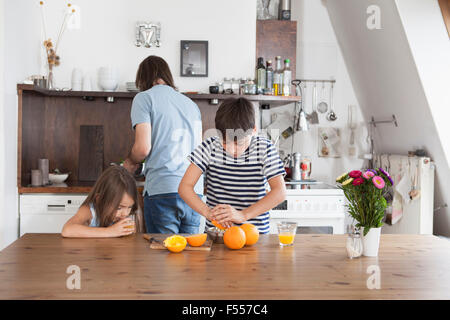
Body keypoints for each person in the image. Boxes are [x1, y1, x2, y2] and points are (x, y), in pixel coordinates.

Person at [178, 97, 286, 233]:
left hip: (255, 235)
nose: (231, 150)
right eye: (224, 142)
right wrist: (207, 212)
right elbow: (185, 187)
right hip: (218, 234)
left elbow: (280, 192)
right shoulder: (209, 146)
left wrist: (243, 215)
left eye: (239, 143)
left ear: (253, 130)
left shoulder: (264, 148)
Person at [122, 55, 203, 234]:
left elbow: (142, 148)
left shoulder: (144, 98)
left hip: (163, 189)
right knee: (189, 256)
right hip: (194, 193)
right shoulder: (191, 105)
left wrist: (129, 163)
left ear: (143, 78)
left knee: (163, 257)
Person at [61, 166, 139, 238]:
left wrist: (128, 231)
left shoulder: (123, 215)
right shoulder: (89, 211)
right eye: (118, 208)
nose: (125, 213)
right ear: (100, 199)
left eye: (129, 207)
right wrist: (110, 231)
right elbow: (67, 230)